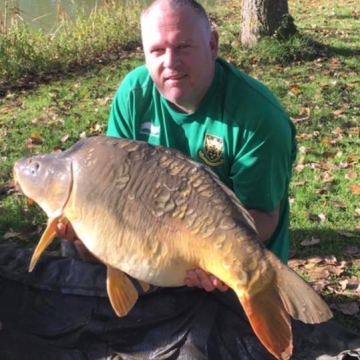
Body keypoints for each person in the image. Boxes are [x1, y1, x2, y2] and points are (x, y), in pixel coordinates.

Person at [57, 0, 297, 292]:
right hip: (150, 240)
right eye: (157, 50)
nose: (170, 62)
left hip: (228, 260)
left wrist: (207, 255)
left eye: (183, 46)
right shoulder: (133, 94)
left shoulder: (258, 116)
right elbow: (112, 186)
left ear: (212, 45)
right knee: (78, 240)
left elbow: (263, 216)